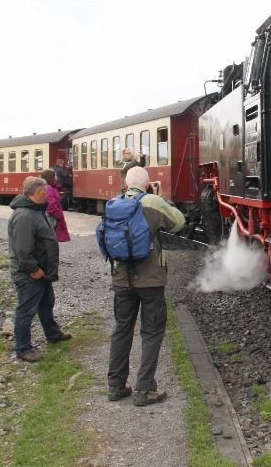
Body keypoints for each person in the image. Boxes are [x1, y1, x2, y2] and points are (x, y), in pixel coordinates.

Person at [107, 166, 185, 405]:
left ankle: (116, 386)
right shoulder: (152, 201)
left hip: (121, 279)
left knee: (122, 329)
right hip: (150, 280)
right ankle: (144, 389)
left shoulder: (114, 203)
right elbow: (179, 223)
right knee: (151, 332)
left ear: (126, 182)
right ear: (148, 183)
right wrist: (160, 197)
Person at [8, 176, 71, 362]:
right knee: (26, 310)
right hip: (30, 274)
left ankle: (52, 334)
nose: (47, 192)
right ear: (38, 192)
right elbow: (22, 249)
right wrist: (33, 269)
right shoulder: (25, 216)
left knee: (46, 303)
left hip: (41, 272)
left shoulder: (34, 210)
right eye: (44, 190)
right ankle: (23, 348)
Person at [40, 169, 71, 243]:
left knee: (53, 239)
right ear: (50, 177)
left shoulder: (51, 187)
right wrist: (59, 214)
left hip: (53, 217)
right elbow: (50, 205)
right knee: (51, 239)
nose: (56, 177)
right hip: (52, 217)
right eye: (55, 175)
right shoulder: (49, 188)